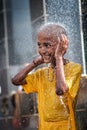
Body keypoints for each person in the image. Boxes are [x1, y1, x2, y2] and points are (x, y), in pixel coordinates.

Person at [11, 23, 82, 130]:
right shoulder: (41, 73)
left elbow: (60, 90)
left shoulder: (74, 68)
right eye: (39, 45)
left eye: (47, 45)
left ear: (62, 45)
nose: (42, 50)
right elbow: (16, 81)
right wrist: (35, 63)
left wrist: (58, 57)